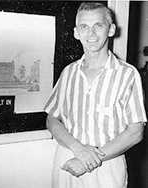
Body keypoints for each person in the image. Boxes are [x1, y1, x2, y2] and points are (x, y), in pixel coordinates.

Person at [44, 2, 147, 188]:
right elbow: (52, 119)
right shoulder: (68, 72)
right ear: (76, 33)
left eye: (98, 25)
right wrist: (77, 148)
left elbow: (136, 132)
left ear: (111, 29)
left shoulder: (128, 74)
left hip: (107, 165)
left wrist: (87, 160)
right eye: (84, 27)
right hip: (68, 161)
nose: (90, 34)